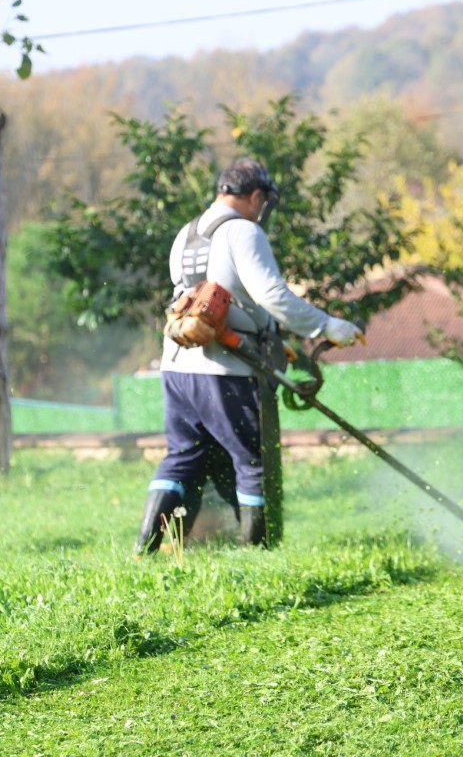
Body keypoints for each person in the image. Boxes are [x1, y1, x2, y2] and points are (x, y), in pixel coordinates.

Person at [136, 157, 364, 555]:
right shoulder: (243, 231)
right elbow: (270, 294)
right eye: (264, 203)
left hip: (178, 367)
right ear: (256, 197)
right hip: (226, 371)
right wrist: (325, 325)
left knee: (182, 458)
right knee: (252, 461)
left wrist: (274, 340)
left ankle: (144, 549)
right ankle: (258, 554)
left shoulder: (186, 232)